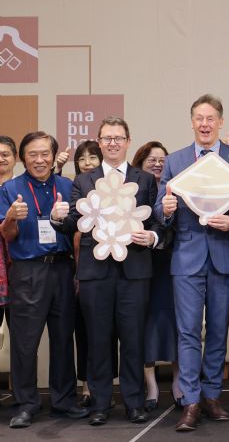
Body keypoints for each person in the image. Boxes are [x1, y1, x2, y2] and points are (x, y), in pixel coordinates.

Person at [51, 117, 162, 426]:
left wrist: (152, 237)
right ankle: (100, 403)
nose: (113, 143)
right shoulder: (84, 181)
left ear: (128, 141)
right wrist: (57, 217)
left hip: (135, 270)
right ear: (99, 143)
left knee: (133, 340)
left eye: (118, 138)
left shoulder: (145, 180)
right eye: (107, 138)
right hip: (95, 271)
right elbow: (74, 223)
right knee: (98, 340)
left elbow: (156, 222)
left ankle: (134, 402)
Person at [154, 94, 229, 432]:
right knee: (187, 331)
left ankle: (212, 394)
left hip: (224, 255)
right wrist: (166, 210)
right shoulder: (176, 160)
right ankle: (191, 400)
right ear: (192, 122)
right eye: (199, 118)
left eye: (211, 118)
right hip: (186, 258)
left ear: (221, 122)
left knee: (218, 330)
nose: (205, 124)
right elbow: (161, 209)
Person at [0, 132, 89, 428]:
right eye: (33, 154)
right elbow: (7, 235)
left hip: (62, 268)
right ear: (23, 158)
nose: (39, 160)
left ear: (53, 157)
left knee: (63, 338)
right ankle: (26, 404)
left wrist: (63, 220)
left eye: (45, 154)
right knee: (25, 342)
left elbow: (79, 229)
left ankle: (64, 401)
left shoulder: (67, 186)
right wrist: (11, 217)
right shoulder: (10, 188)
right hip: (27, 271)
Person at [132, 141, 182, 411]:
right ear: (140, 162)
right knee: (146, 324)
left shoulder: (176, 187)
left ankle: (178, 380)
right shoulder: (132, 189)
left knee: (175, 322)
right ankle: (150, 384)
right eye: (151, 159)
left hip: (173, 261)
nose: (157, 164)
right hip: (142, 263)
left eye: (162, 159)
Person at [70, 140, 119, 409]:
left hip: (104, 273)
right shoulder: (72, 190)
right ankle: (87, 386)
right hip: (76, 276)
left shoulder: (113, 193)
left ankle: (105, 387)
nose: (87, 163)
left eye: (92, 157)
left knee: (105, 332)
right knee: (84, 332)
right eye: (81, 158)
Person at [0, 136, 16, 330]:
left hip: (20, 272)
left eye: (5, 154)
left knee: (22, 340)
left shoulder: (23, 187)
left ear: (15, 157)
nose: (1, 159)